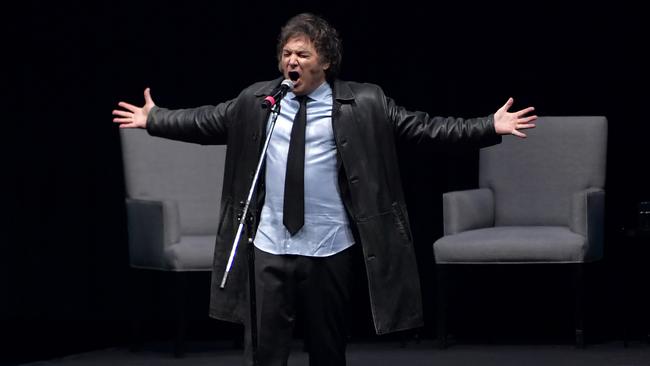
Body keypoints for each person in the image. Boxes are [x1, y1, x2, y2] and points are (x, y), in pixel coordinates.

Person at [113, 12, 536, 366]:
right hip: (269, 244)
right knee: (264, 353)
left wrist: (487, 125)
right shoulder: (257, 102)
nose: (291, 62)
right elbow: (203, 121)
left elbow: (426, 127)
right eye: (286, 54)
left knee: (328, 352)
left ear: (326, 61)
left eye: (302, 54)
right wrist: (155, 119)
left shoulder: (365, 102)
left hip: (329, 246)